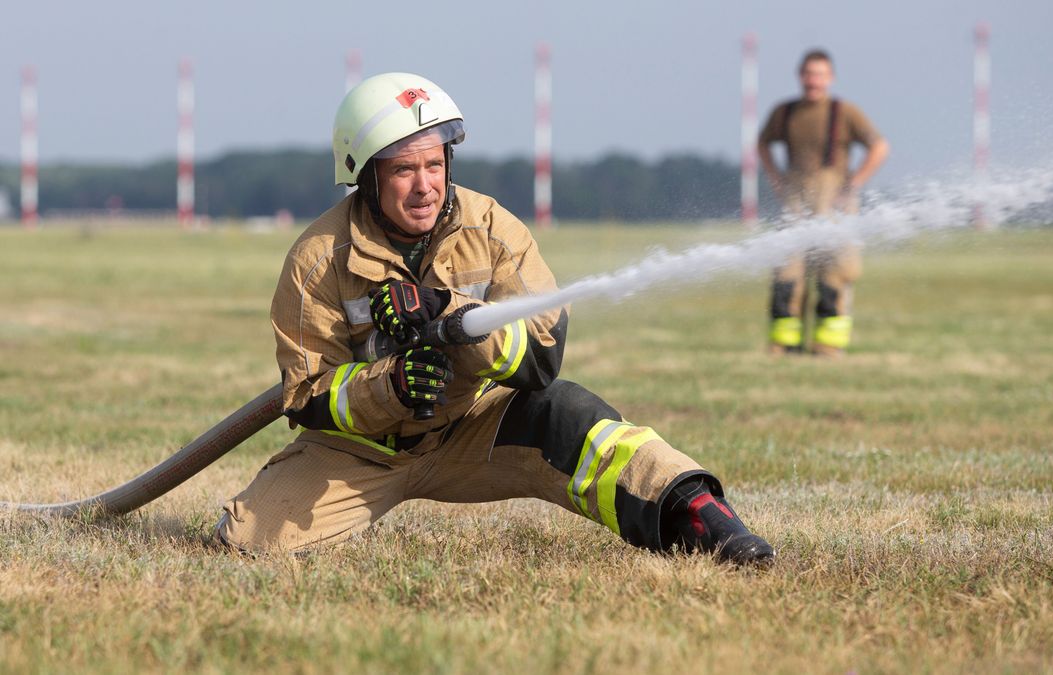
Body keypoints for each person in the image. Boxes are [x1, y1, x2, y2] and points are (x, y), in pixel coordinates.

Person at [215, 72, 775, 566]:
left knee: (568, 414)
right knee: (251, 540)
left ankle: (699, 517)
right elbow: (309, 395)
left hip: (472, 426)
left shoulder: (494, 229)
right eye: (404, 169)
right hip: (360, 450)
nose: (425, 185)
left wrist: (449, 313)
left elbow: (540, 358)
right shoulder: (318, 260)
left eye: (435, 164)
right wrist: (392, 387)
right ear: (366, 178)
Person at [759, 49, 889, 357]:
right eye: (808, 73)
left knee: (835, 273)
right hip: (795, 201)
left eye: (819, 74)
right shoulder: (785, 112)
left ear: (830, 78)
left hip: (835, 204)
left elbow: (879, 146)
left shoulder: (845, 112)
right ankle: (784, 344)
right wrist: (775, 178)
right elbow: (762, 143)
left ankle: (828, 345)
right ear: (799, 76)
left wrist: (855, 181)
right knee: (786, 275)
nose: (813, 80)